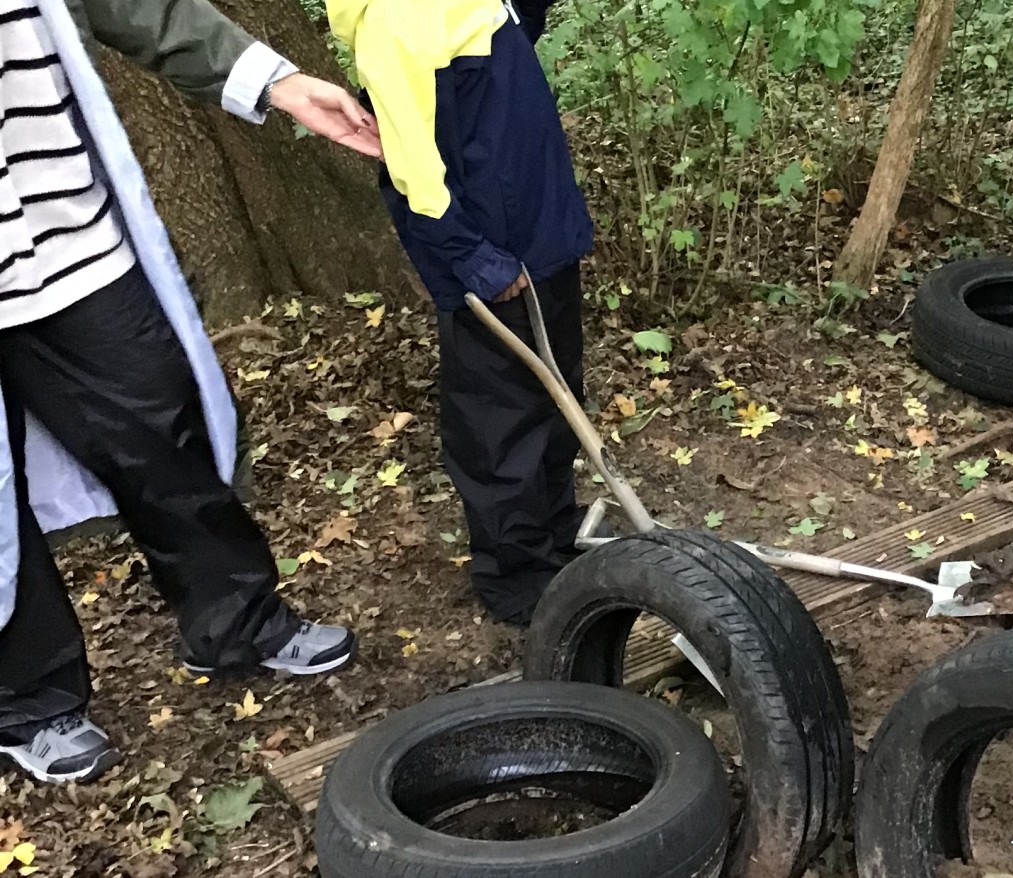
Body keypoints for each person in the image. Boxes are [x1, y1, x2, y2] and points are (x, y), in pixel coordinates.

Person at [0, 0, 384, 785]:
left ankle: (237, 623)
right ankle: (29, 702)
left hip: (71, 237)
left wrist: (277, 83)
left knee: (162, 428)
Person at [327, 0, 595, 624]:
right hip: (492, 251)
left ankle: (556, 533)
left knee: (557, 399)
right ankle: (520, 578)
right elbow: (412, 161)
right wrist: (470, 255)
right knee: (502, 423)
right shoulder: (393, 21)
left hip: (541, 228)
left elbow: (520, 33)